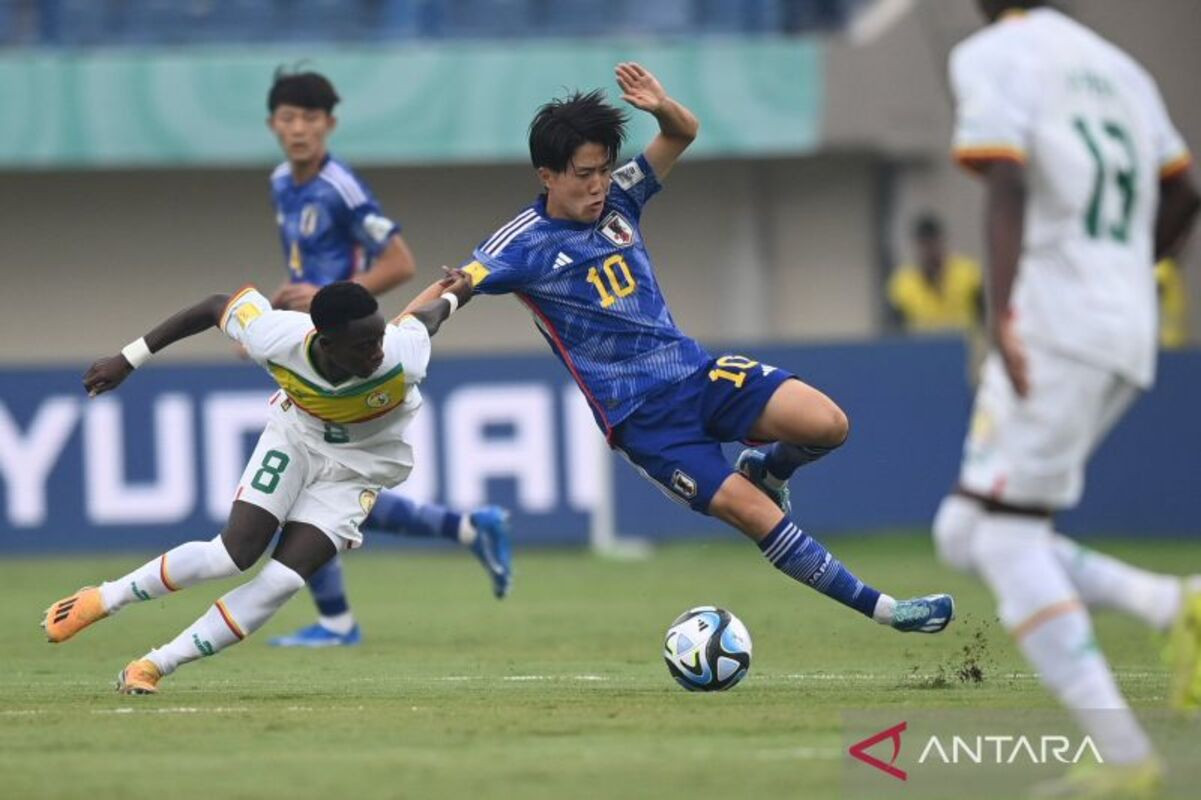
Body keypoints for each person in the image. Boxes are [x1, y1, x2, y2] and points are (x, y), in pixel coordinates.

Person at [457, 62, 954, 636]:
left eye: (601, 170)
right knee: (753, 514)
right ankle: (890, 611)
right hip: (644, 422)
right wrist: (403, 332)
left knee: (828, 424)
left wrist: (662, 106)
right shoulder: (522, 243)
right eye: (583, 174)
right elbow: (459, 283)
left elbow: (682, 133)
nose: (597, 185)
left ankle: (768, 466)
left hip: (697, 374)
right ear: (547, 175)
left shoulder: (621, 198)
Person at [932, 1, 1201, 795]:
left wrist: (1003, 310)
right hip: (1123, 327)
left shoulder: (992, 54)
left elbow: (1006, 176)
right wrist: (1123, 275)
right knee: (964, 528)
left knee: (1005, 540)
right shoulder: (1120, 66)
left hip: (1051, 323)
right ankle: (1171, 604)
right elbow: (1184, 192)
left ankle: (1125, 758)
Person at [42, 274, 475, 694]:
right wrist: (129, 357)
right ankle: (103, 598)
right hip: (295, 439)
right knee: (231, 554)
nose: (378, 352)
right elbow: (215, 305)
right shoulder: (275, 336)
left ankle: (153, 665)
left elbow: (430, 316)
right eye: (364, 345)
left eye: (379, 338)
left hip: (357, 471)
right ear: (325, 342)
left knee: (285, 580)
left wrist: (460, 291)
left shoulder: (404, 354)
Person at [263, 69, 512, 648]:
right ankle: (469, 529)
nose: (298, 129)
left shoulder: (340, 187)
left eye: (310, 118)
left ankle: (338, 623)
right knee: (325, 487)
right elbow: (306, 269)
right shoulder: (282, 182)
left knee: (311, 487)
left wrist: (333, 295)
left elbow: (399, 262)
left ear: (329, 124)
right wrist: (278, 308)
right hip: (309, 345)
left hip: (345, 355)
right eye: (288, 118)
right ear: (273, 124)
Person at [887, 213, 983, 335]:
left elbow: (984, 319)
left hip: (967, 350)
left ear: (942, 241)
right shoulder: (903, 284)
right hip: (923, 351)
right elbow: (896, 331)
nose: (930, 251)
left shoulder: (969, 274)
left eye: (933, 243)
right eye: (924, 244)